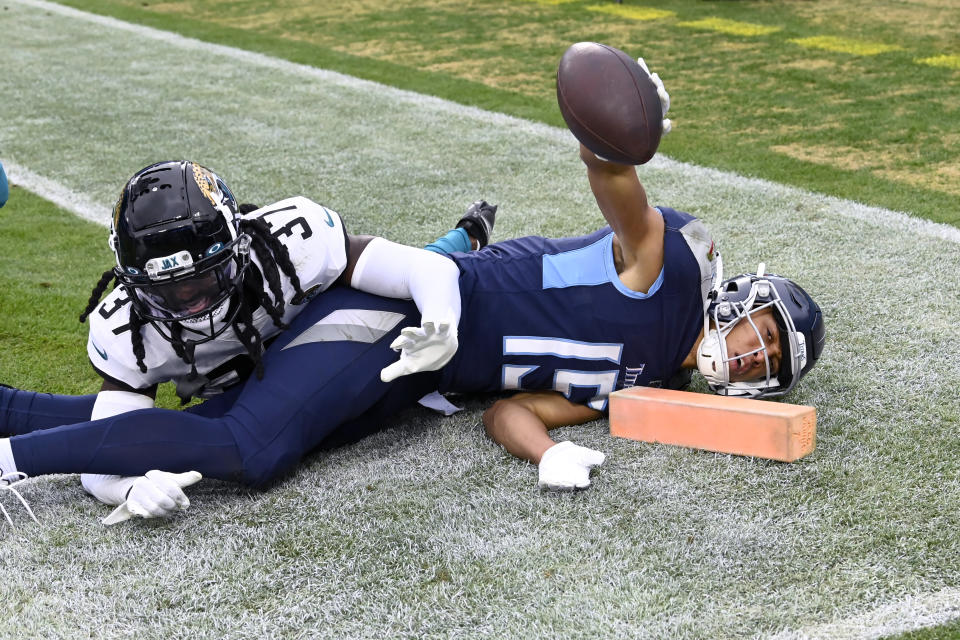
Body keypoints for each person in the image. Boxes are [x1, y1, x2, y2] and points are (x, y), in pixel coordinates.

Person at [0, 60, 824, 523]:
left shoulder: (647, 385)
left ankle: (10, 408)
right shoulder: (665, 273)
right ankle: (14, 460)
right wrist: (618, 137)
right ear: (734, 296)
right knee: (252, 447)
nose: (749, 356)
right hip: (407, 314)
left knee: (220, 425)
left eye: (767, 363)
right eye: (760, 332)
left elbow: (515, 410)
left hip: (420, 372)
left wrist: (549, 454)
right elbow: (619, 189)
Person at [0, 159, 495, 523]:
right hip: (243, 391)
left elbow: (410, 268)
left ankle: (465, 236)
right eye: (168, 290)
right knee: (180, 424)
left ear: (238, 247)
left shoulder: (290, 242)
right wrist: (129, 487)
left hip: (327, 334)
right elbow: (106, 442)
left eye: (201, 280)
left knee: (403, 284)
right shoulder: (124, 325)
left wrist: (442, 318)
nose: (190, 301)